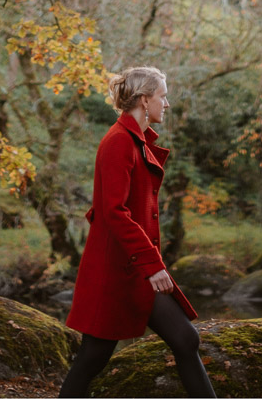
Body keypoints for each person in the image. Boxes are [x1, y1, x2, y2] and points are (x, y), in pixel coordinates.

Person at [60, 66, 216, 398]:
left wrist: (148, 264)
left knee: (186, 339)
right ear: (145, 100)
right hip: (117, 273)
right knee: (93, 357)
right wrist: (152, 263)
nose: (167, 104)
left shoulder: (135, 141)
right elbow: (113, 211)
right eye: (163, 96)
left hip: (136, 270)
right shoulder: (118, 142)